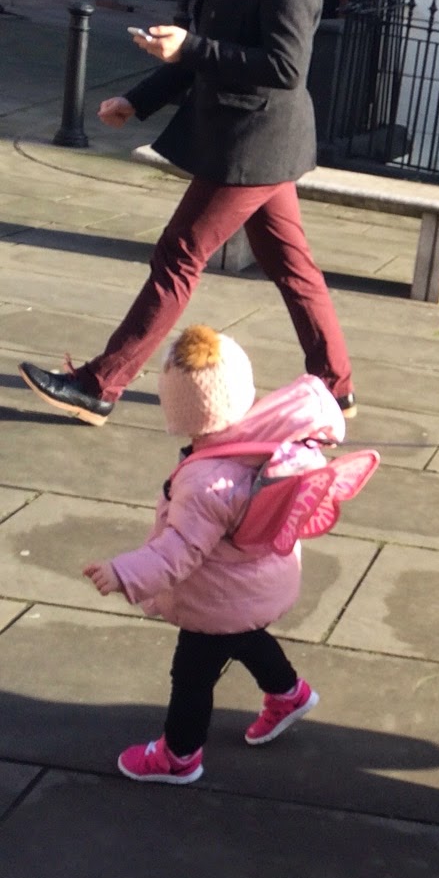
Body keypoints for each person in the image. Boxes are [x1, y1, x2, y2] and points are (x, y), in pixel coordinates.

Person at [19, 0, 355, 425]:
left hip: (253, 141)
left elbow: (285, 67)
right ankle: (336, 385)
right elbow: (201, 50)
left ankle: (101, 385)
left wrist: (191, 48)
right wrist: (136, 99)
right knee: (292, 266)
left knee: (178, 254)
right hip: (252, 139)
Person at [83, 325, 333, 784]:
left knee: (192, 675)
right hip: (259, 579)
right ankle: (289, 694)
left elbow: (176, 552)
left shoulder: (205, 482)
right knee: (247, 634)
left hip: (216, 595)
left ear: (178, 411)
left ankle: (179, 755)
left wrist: (122, 573)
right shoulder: (267, 440)